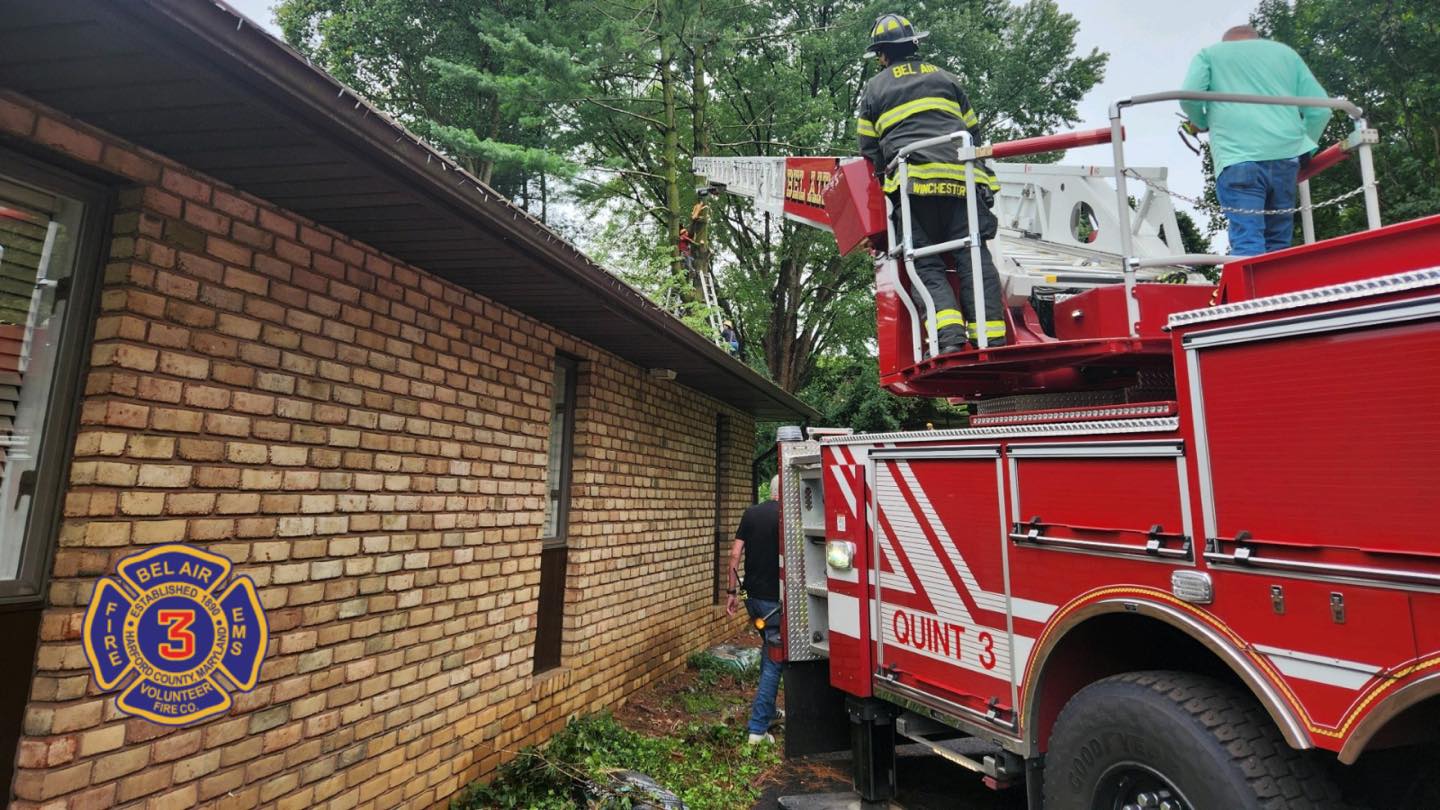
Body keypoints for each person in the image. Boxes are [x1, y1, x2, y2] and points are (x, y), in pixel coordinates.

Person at [856, 12, 1007, 354]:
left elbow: (868, 151)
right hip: (962, 182)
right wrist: (984, 180)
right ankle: (991, 337)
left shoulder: (875, 88)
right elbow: (973, 133)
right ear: (913, 45)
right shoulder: (946, 78)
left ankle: (949, 339)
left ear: (883, 54)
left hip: (913, 189)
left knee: (924, 261)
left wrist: (883, 193)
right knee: (972, 254)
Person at [1180, 25, 1330, 256]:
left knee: (1247, 240)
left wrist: (1200, 121)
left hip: (1237, 159)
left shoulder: (1210, 54)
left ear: (1226, 43)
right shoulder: (1286, 54)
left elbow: (1188, 96)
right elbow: (1321, 110)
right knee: (1278, 243)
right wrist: (1305, 149)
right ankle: (1278, 290)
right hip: (1286, 160)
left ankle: (1252, 293)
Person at [726, 475, 782, 744]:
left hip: (752, 598)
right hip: (775, 603)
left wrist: (732, 592)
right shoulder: (786, 516)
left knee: (768, 652)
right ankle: (758, 730)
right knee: (775, 661)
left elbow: (735, 554)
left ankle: (769, 711)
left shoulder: (751, 513)